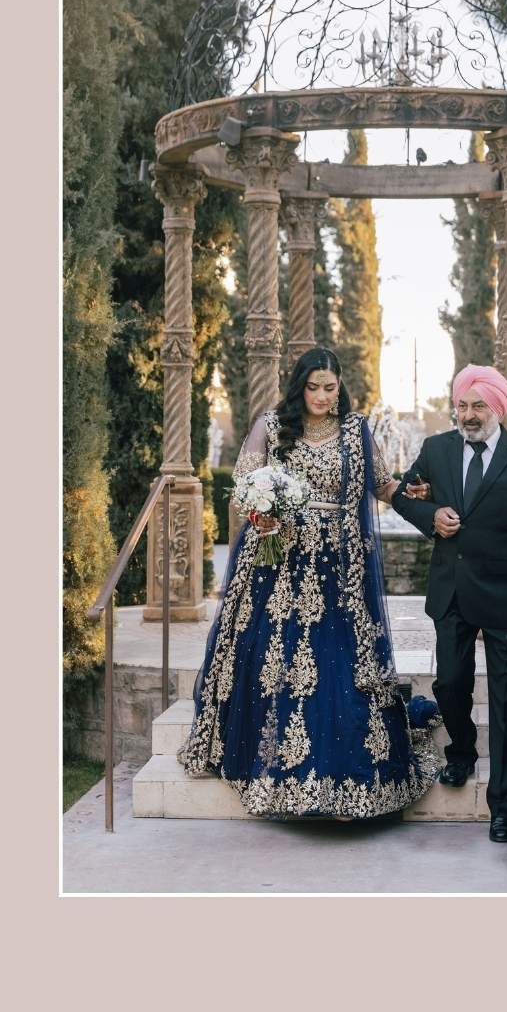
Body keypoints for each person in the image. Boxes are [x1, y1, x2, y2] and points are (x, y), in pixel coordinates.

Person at [177, 347, 438, 818]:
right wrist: (264, 515)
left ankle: (349, 775)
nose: (320, 396)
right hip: (280, 562)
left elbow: (382, 485)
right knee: (274, 659)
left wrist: (413, 490)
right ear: (300, 386)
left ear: (340, 386)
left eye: (329, 387)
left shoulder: (357, 431)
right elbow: (243, 488)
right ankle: (273, 769)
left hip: (341, 566)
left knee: (343, 664)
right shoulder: (272, 427)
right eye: (312, 387)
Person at [390, 365, 507, 843]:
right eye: (462, 404)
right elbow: (403, 494)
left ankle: (504, 807)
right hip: (452, 592)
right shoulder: (436, 450)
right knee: (450, 684)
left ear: (498, 408)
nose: (468, 414)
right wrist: (430, 514)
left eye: (478, 405)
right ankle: (461, 751)